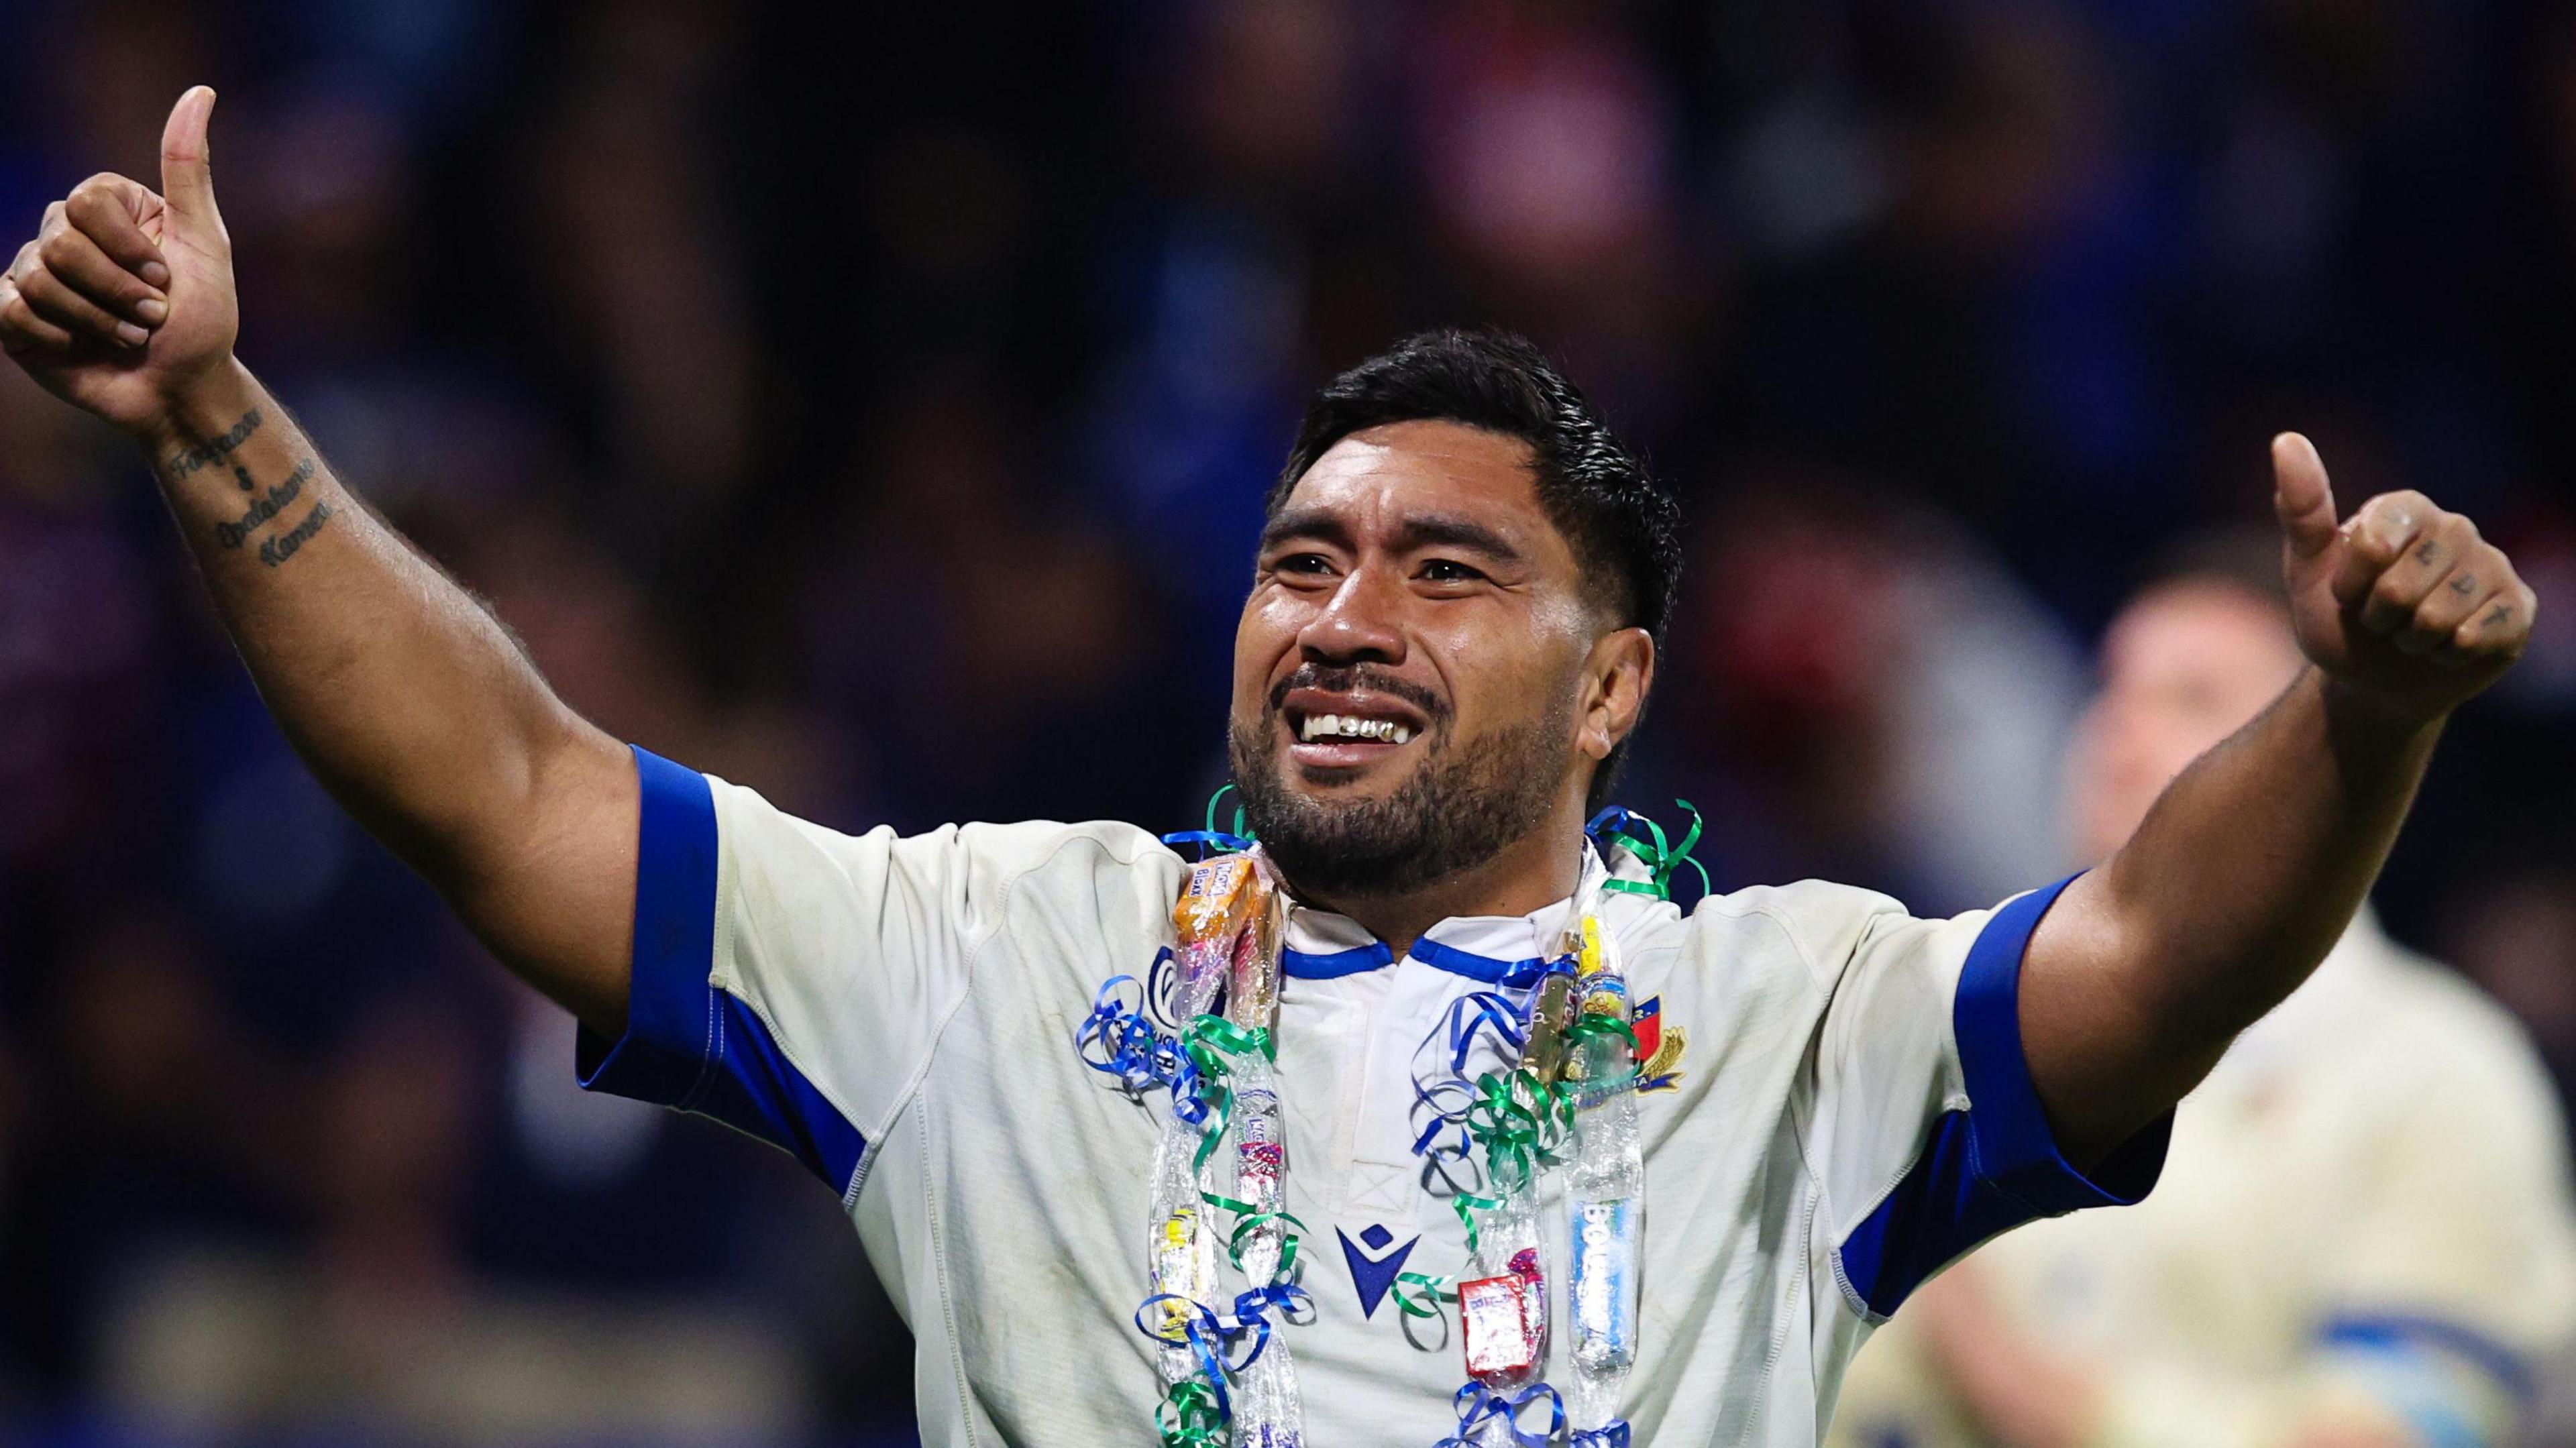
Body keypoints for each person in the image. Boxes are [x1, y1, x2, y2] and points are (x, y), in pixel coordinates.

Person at [0, 91, 2544, 1448]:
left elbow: (2155, 950)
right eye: (1302, 561)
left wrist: (2370, 715)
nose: (1342, 617)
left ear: (1617, 685)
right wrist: (219, 421)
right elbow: (516, 789)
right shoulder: (989, 955)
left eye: (1449, 573)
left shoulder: (1794, 1017)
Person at [1827, 541, 2576, 1448]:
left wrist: (2030, 1395)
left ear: (2323, 758)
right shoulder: (1948, 1024)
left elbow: (2403, 1432)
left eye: (2193, 699)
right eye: (2113, 687)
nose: (2121, 731)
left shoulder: (2446, 1072)